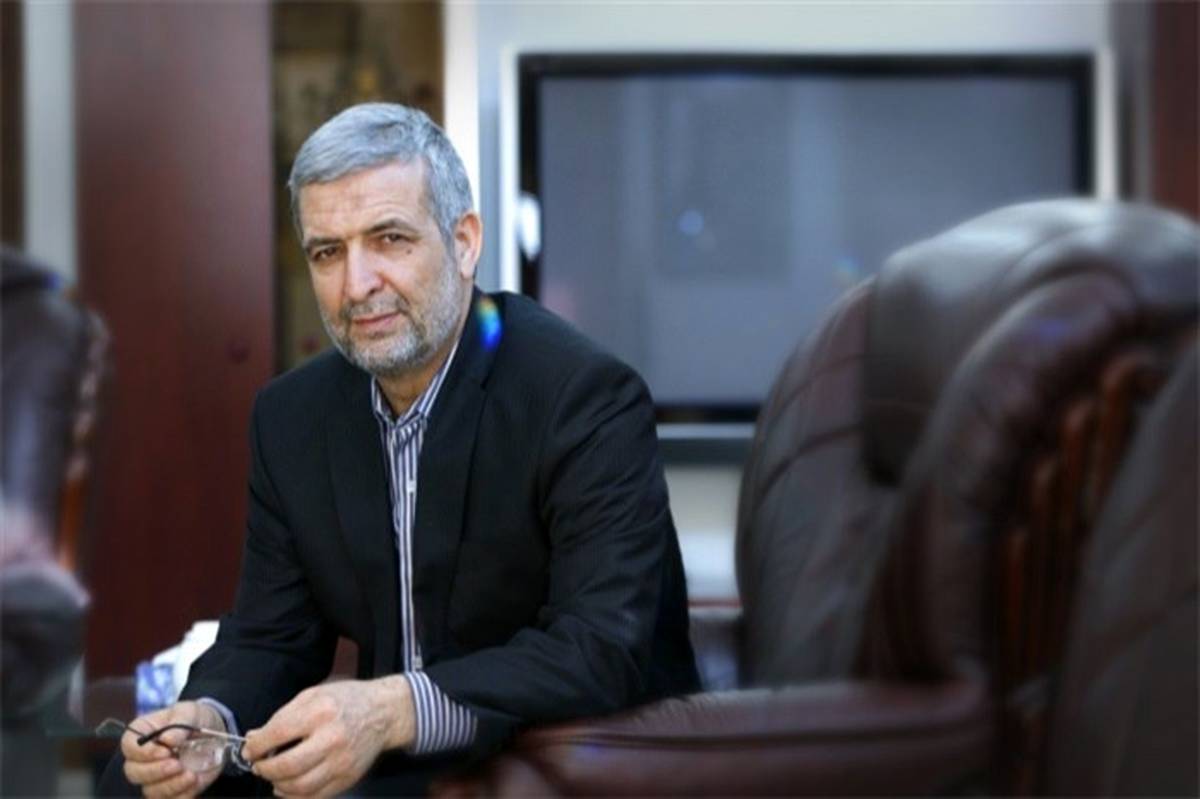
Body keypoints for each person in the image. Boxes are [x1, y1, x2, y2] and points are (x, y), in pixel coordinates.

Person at [101, 102, 698, 797]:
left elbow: (599, 647)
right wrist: (210, 717)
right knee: (137, 785)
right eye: (328, 252)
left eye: (389, 239)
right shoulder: (292, 418)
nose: (357, 285)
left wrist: (391, 708)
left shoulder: (584, 397)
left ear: (464, 242)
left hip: (555, 752)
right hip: (392, 761)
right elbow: (272, 635)